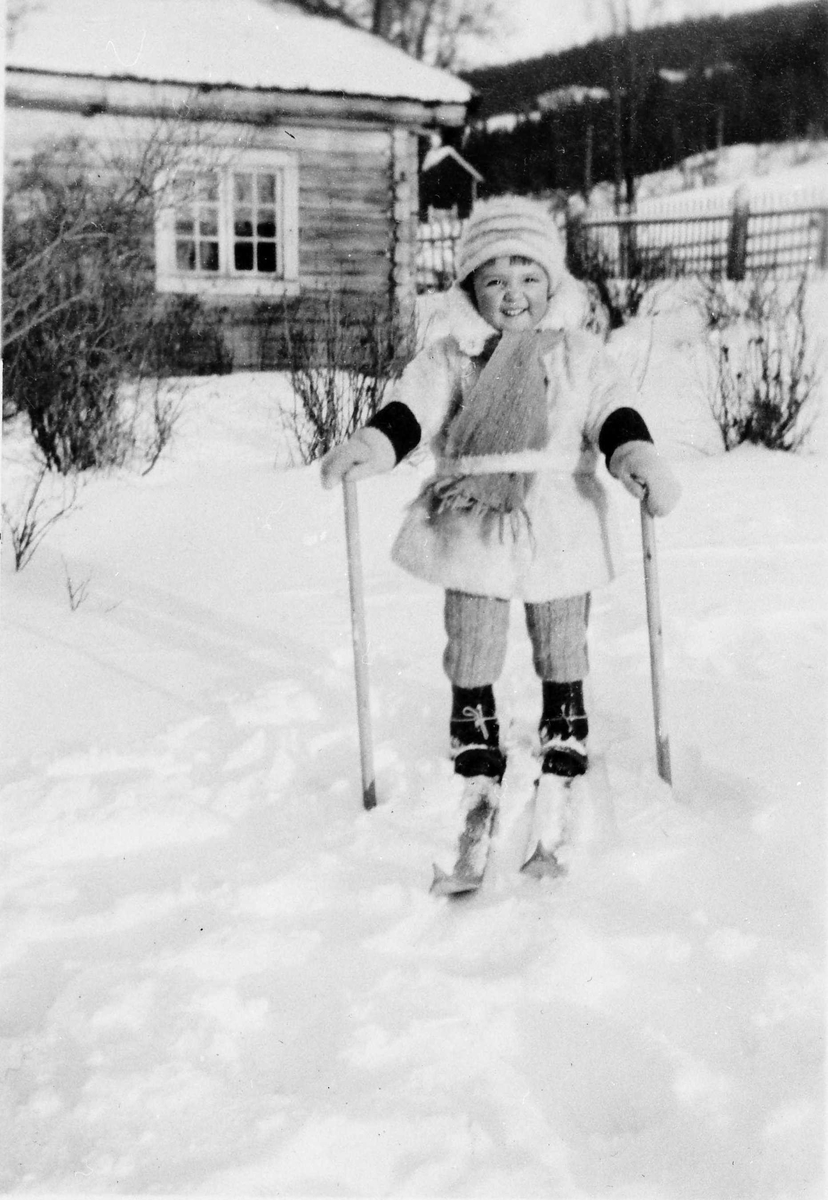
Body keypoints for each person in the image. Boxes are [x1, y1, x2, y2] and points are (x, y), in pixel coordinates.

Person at [321, 195, 680, 785]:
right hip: (472, 508)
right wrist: (377, 444)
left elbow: (611, 409)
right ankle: (473, 721)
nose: (513, 294)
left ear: (552, 283)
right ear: (471, 288)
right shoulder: (453, 357)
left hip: (558, 507)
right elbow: (414, 408)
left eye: (528, 277)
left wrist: (632, 452)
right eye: (495, 280)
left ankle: (564, 718)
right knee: (473, 624)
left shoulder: (578, 355)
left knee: (562, 622)